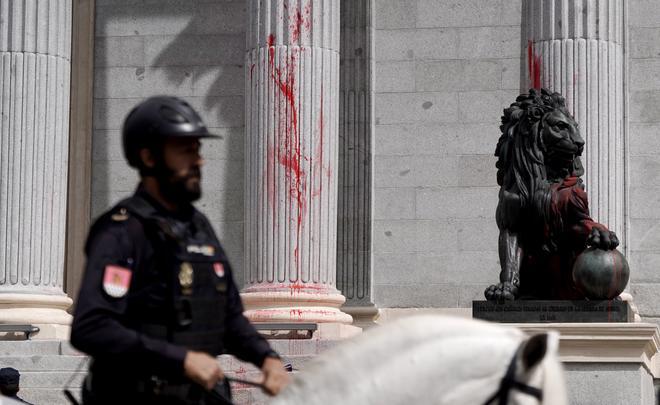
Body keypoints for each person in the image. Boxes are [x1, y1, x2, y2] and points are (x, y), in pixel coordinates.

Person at [70, 96, 289, 404]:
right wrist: (182, 360)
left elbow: (230, 317)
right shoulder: (123, 230)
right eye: (185, 150)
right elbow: (91, 327)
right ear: (148, 158)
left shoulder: (199, 227)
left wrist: (266, 357)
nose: (198, 160)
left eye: (198, 149)